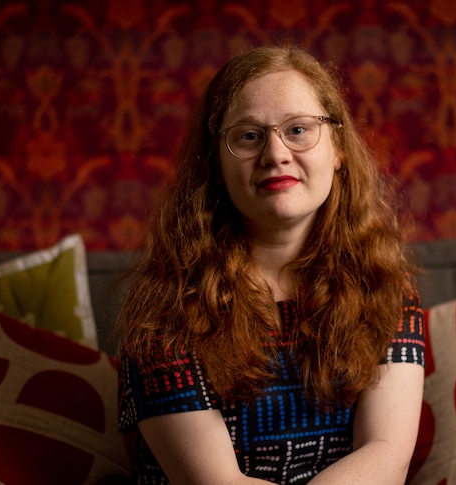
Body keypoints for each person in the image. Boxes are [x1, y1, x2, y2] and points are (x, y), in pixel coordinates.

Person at [116, 44, 425, 484]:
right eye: (248, 135)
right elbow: (216, 483)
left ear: (337, 149)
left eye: (298, 129)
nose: (275, 153)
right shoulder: (164, 307)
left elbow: (386, 454)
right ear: (217, 165)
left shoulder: (386, 285)